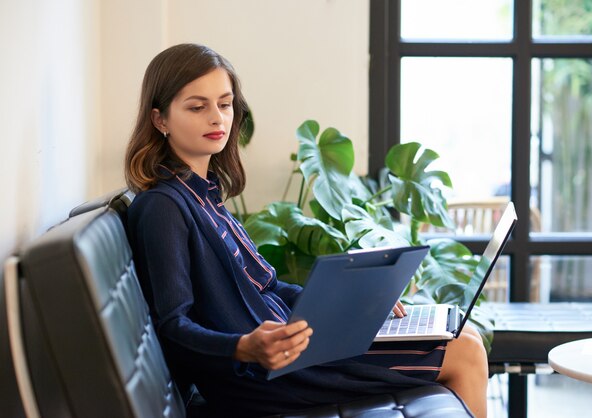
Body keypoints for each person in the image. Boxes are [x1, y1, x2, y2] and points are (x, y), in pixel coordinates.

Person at [124, 43, 488, 418]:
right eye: (197, 107)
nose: (217, 118)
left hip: (296, 346)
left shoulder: (205, 193)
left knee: (466, 334)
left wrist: (352, 305)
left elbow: (268, 288)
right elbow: (172, 326)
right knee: (466, 352)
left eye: (225, 103)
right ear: (160, 119)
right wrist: (244, 346)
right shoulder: (163, 206)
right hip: (265, 374)